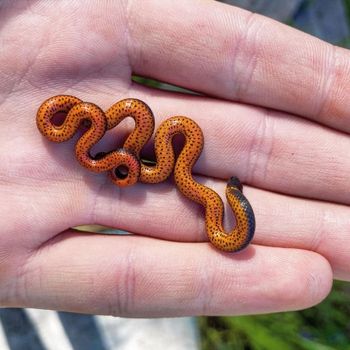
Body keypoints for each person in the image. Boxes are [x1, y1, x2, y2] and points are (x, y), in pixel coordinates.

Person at [0, 0, 348, 317]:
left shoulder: (125, 145)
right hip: (126, 146)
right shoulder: (94, 134)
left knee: (187, 179)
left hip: (144, 148)